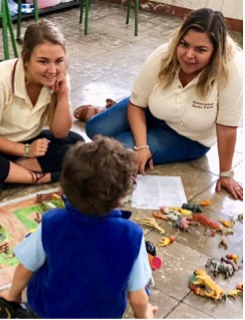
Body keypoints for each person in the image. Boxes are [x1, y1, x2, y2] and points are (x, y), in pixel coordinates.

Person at [0, 136, 158, 319]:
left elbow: (26, 267)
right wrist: (145, 315)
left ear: (65, 188)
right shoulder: (131, 236)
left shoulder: (52, 222)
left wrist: (12, 296)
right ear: (121, 196)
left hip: (47, 310)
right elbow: (138, 298)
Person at [85, 8, 243, 201]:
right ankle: (110, 113)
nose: (188, 55)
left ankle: (118, 117)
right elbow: (137, 104)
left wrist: (226, 174)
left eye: (201, 50)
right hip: (154, 111)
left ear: (216, 52)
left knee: (118, 149)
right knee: (95, 128)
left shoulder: (232, 70)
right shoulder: (164, 54)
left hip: (188, 137)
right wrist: (142, 146)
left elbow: (227, 126)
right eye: (184, 44)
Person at [0, 19, 84, 199]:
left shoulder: (58, 79)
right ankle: (40, 177)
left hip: (29, 140)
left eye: (59, 61)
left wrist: (63, 95)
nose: (52, 70)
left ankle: (6, 176)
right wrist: (25, 151)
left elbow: (60, 133)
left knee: (77, 144)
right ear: (25, 59)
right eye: (43, 61)